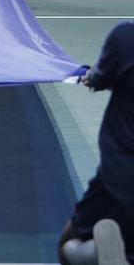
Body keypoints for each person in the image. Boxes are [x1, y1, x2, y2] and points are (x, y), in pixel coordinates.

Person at [58, 21, 134, 265]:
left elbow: (98, 79)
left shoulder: (126, 38)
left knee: (67, 246)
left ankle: (96, 254)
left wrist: (89, 75)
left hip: (120, 180)